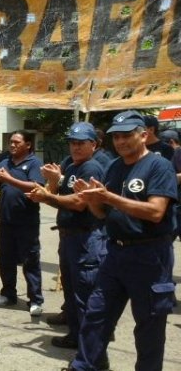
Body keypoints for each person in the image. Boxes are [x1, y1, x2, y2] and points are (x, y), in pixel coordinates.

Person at [65, 110, 177, 371]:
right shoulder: (114, 166)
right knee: (96, 316)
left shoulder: (159, 165)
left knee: (148, 326)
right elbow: (102, 214)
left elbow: (156, 211)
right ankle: (83, 366)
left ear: (144, 135)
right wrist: (93, 201)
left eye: (127, 136)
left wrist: (109, 198)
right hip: (115, 253)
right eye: (116, 137)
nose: (121, 142)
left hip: (150, 255)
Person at [26, 122, 107, 351]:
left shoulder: (91, 168)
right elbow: (59, 196)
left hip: (86, 238)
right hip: (69, 237)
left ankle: (89, 350)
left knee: (85, 294)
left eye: (81, 143)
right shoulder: (72, 166)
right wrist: (49, 187)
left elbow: (79, 203)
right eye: (72, 143)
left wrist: (46, 197)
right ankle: (75, 336)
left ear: (94, 144)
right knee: (71, 291)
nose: (75, 147)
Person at [0, 130, 45, 316]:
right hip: (5, 221)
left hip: (26, 222)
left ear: (28, 145)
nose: (12, 145)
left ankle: (35, 299)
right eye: (11, 142)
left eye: (16, 142)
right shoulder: (4, 162)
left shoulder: (34, 163)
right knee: (5, 260)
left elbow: (37, 187)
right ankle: (8, 294)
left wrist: (9, 179)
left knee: (30, 261)